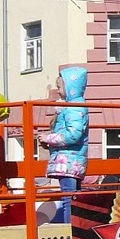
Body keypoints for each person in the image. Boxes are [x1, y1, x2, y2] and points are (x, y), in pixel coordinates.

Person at [38, 66, 89, 223]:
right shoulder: (73, 107)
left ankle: (70, 234)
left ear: (70, 87)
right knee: (73, 199)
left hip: (68, 162)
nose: (58, 91)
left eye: (60, 87)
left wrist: (49, 138)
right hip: (70, 161)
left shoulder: (74, 108)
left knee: (69, 200)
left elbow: (73, 135)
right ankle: (76, 233)